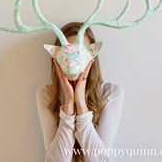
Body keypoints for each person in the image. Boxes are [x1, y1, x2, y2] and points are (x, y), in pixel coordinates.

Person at [36, 22, 124, 162]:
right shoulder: (46, 94)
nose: (73, 63)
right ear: (56, 59)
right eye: (67, 55)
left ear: (92, 56)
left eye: (80, 54)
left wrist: (80, 103)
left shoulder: (111, 93)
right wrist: (69, 104)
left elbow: (100, 160)